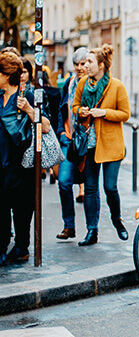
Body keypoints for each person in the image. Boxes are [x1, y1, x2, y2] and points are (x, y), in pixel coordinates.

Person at [72, 44, 130, 246]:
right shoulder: (82, 84)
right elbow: (75, 106)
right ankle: (91, 231)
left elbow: (125, 114)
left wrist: (104, 113)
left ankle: (117, 221)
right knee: (90, 189)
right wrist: (82, 112)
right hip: (89, 144)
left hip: (112, 145)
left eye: (89, 62)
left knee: (110, 187)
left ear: (102, 65)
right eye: (85, 62)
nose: (85, 66)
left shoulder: (116, 86)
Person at [0, 52, 51, 266]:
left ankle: (22, 247)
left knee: (21, 210)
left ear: (7, 74)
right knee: (1, 209)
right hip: (1, 163)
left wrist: (29, 109)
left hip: (20, 164)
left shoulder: (28, 96)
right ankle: (2, 248)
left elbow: (46, 126)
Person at [55, 47, 89, 240]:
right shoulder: (69, 82)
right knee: (64, 182)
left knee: (91, 188)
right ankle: (69, 226)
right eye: (76, 64)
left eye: (83, 64)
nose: (79, 67)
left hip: (86, 143)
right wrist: (61, 131)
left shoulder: (93, 85)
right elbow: (62, 107)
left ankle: (92, 230)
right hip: (68, 140)